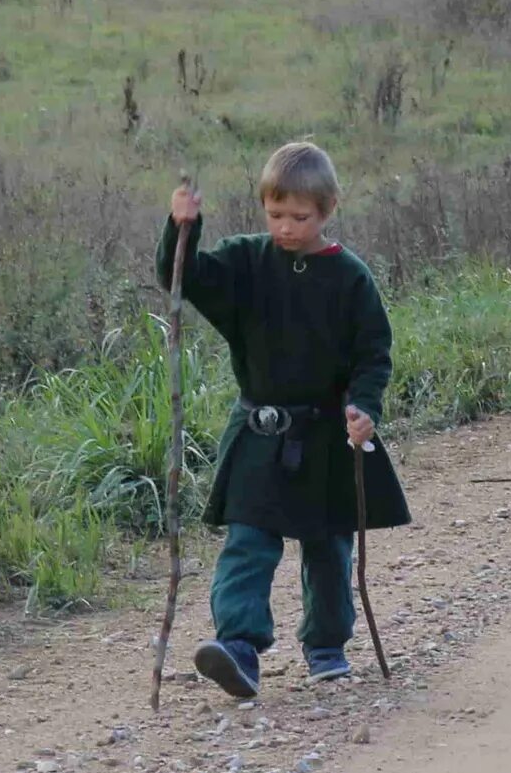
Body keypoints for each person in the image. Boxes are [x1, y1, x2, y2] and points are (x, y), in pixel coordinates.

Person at [161, 143, 407, 700]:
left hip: (325, 435)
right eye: (276, 215)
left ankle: (326, 645)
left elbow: (374, 352)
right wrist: (183, 228)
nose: (287, 228)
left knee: (326, 548)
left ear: (328, 210)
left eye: (301, 217)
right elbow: (185, 278)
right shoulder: (246, 262)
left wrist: (364, 408)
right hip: (258, 434)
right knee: (248, 541)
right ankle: (239, 649)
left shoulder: (349, 278)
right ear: (263, 206)